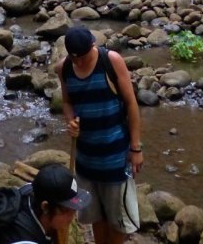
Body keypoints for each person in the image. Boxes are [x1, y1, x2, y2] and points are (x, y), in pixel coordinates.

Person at [55, 27, 142, 244]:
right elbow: (67, 102)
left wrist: (136, 148)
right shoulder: (64, 68)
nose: (80, 64)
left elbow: (131, 104)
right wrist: (70, 120)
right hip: (85, 161)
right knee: (95, 217)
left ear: (92, 46)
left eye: (83, 58)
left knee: (117, 220)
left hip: (115, 159)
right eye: (75, 60)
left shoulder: (110, 61)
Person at [1, 164, 90, 244]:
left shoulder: (30, 190)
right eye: (67, 210)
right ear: (45, 207)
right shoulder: (24, 239)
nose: (72, 217)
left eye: (74, 210)